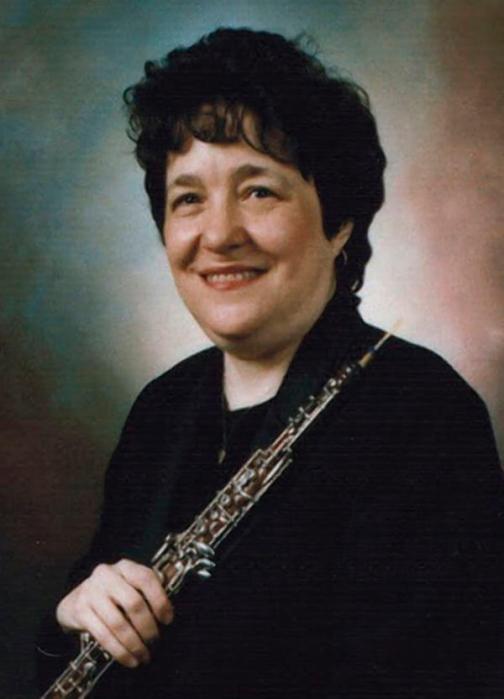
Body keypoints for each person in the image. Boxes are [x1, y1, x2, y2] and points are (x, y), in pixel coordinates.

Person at [37, 27, 504, 698]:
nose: (219, 234)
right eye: (188, 199)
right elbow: (64, 665)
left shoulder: (421, 412)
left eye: (258, 191)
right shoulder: (160, 411)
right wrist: (73, 615)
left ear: (338, 221)